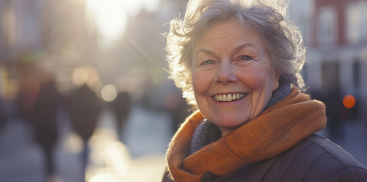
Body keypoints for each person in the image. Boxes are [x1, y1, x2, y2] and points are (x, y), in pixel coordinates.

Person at [162, 0, 367, 181]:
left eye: (244, 57)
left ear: (276, 73)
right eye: (207, 61)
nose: (223, 75)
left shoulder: (331, 174)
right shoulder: (179, 168)